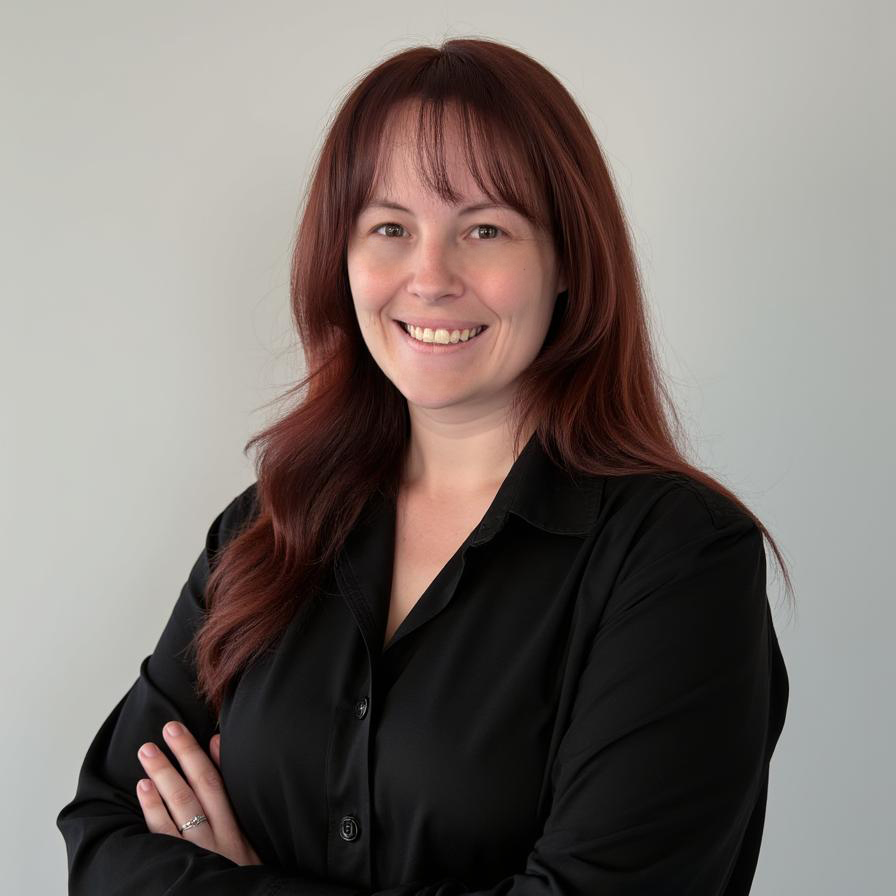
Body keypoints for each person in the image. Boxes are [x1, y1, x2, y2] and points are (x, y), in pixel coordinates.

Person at [56, 36, 792, 896]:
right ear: (344, 258)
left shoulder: (677, 561)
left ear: (566, 265)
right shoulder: (270, 525)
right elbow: (105, 830)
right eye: (390, 228)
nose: (430, 276)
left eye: (484, 228)